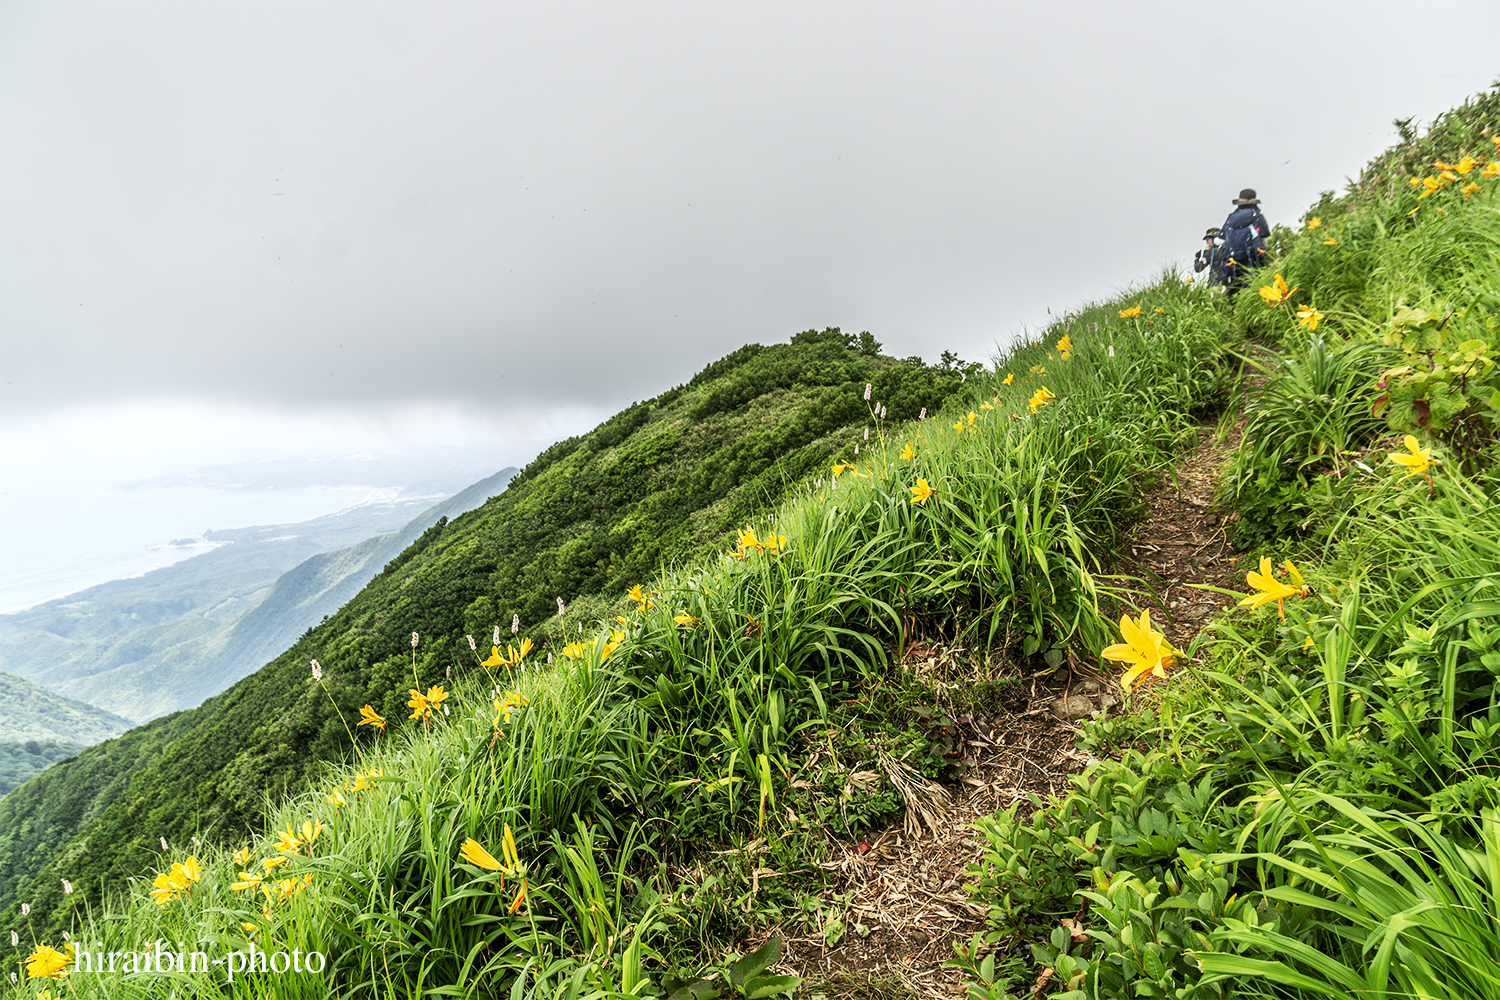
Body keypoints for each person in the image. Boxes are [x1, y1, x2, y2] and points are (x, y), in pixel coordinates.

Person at [1218, 189, 1270, 297]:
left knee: (1234, 288)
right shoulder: (1257, 215)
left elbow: (1220, 240)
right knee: (1254, 286)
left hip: (1233, 260)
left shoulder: (1231, 218)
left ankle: (1232, 310)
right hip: (1253, 258)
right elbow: (1264, 237)